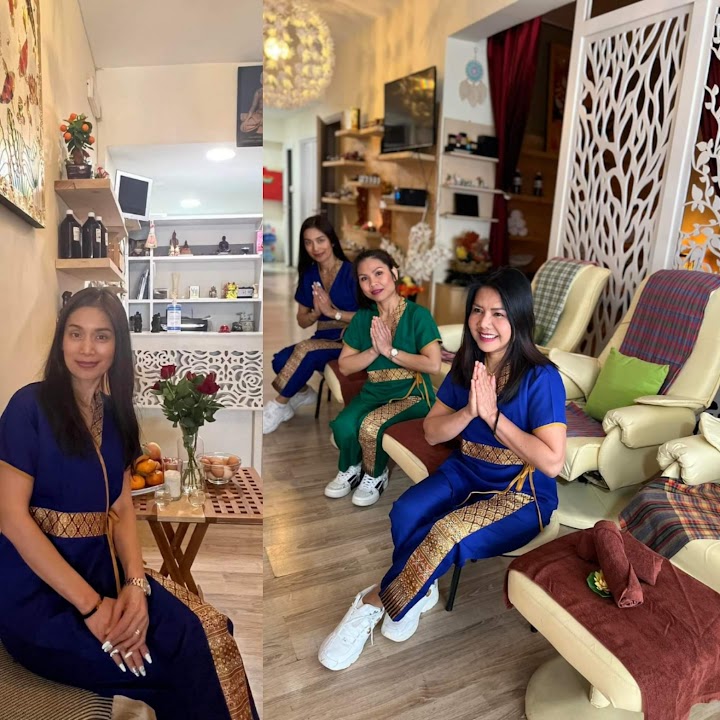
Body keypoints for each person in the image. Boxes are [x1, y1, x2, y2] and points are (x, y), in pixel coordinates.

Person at [0, 288, 257, 720]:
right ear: (61, 340)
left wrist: (135, 586)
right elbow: (11, 518)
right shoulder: (29, 407)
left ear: (118, 345)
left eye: (101, 336)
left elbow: (121, 508)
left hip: (106, 575)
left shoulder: (114, 412)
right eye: (75, 333)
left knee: (209, 630)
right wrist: (93, 607)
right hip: (38, 600)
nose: (86, 348)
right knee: (176, 662)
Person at [318, 268, 567, 671]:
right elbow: (432, 432)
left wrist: (493, 417)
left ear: (520, 317)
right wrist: (469, 411)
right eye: (477, 311)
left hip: (521, 493)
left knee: (446, 532)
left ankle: (370, 603)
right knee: (406, 512)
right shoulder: (467, 366)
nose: (484, 323)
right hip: (466, 471)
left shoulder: (542, 378)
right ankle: (421, 586)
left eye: (499, 314)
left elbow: (552, 462)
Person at [325, 249, 442, 507]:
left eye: (379, 273)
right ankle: (351, 468)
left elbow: (433, 364)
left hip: (413, 394)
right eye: (364, 278)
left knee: (370, 424)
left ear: (394, 273)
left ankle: (375, 476)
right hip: (374, 392)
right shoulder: (363, 318)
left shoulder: (418, 315)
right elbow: (345, 366)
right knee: (344, 424)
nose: (373, 283)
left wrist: (390, 351)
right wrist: (374, 350)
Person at [265, 216, 359, 434]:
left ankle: (278, 406)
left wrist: (332, 313)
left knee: (306, 350)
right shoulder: (309, 274)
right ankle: (304, 393)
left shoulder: (352, 272)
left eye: (320, 240)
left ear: (332, 241)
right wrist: (316, 312)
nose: (315, 248)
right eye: (308, 242)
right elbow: (302, 320)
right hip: (323, 340)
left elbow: (370, 317)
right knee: (280, 360)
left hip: (352, 341)